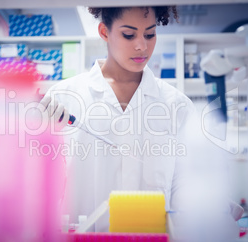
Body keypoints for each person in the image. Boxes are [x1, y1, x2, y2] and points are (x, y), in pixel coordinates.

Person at [38, 6, 195, 232]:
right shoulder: (64, 97)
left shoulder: (177, 106)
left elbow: (185, 191)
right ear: (104, 32)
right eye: (129, 35)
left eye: (150, 34)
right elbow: (39, 188)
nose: (142, 45)